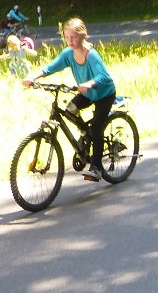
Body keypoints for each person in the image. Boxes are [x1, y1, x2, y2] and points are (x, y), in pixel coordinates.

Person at [23, 18, 116, 182]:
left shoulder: (91, 55)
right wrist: (33, 76)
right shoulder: (68, 54)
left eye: (73, 37)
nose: (70, 41)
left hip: (104, 94)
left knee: (96, 127)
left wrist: (89, 83)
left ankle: (96, 167)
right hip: (87, 94)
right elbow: (51, 67)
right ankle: (87, 134)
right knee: (69, 110)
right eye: (67, 37)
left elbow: (104, 76)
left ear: (83, 36)